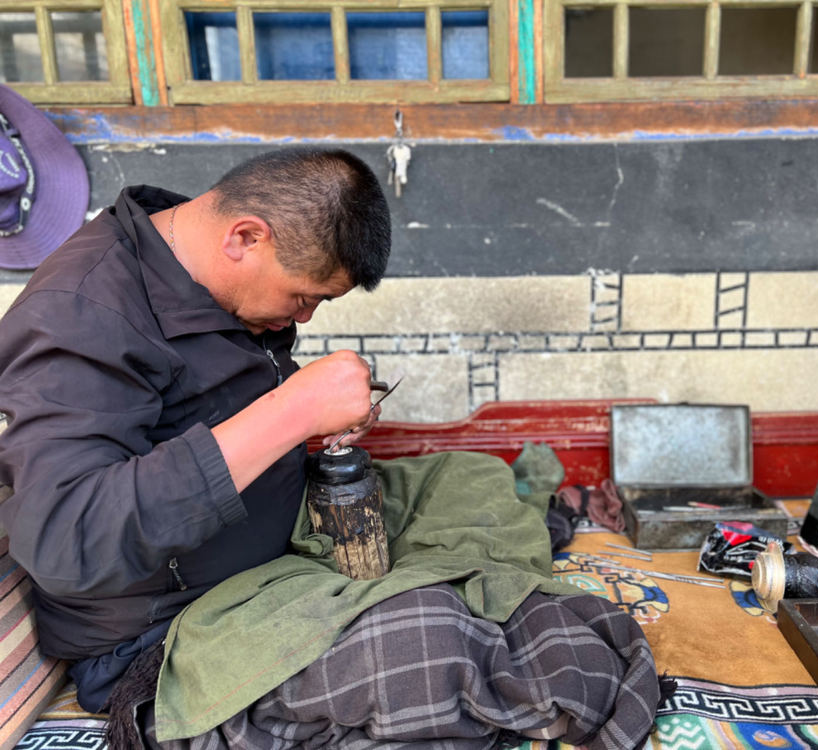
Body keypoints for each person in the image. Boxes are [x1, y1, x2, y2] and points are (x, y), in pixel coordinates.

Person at [0, 113, 664, 746]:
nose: (306, 319)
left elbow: (203, 420)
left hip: (286, 542)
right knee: (429, 639)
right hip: (174, 631)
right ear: (246, 238)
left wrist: (307, 431)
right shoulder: (79, 314)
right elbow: (64, 539)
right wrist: (291, 410)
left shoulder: (196, 262)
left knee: (470, 481)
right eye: (304, 297)